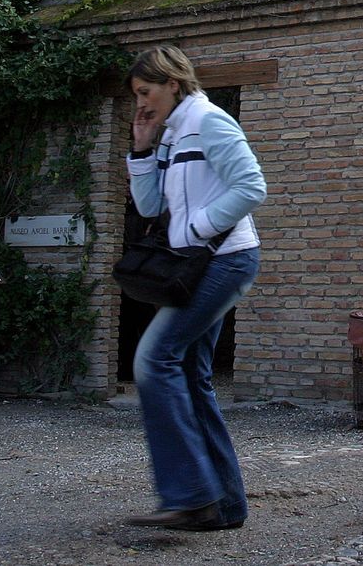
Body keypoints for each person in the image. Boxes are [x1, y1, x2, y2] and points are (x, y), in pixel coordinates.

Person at [124, 44, 267, 531]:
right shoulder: (169, 134)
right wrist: (141, 148)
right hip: (200, 265)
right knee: (187, 374)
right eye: (136, 95)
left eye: (146, 92)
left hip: (227, 261)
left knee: (153, 359)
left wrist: (195, 230)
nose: (141, 102)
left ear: (173, 84)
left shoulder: (209, 120)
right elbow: (147, 208)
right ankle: (222, 506)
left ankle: (188, 495)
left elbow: (251, 187)